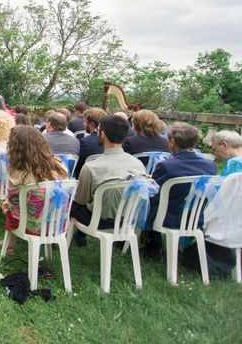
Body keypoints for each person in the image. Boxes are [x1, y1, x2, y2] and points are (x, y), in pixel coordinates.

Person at [142, 122, 217, 259]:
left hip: (169, 216)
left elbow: (153, 192)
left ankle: (153, 245)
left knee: (146, 200)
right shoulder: (210, 165)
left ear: (172, 142)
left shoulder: (166, 166)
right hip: (195, 216)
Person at [71, 115, 147, 246]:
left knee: (72, 204)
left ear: (103, 134)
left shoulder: (91, 167)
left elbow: (81, 200)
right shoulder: (138, 164)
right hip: (128, 218)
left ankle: (73, 238)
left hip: (99, 219)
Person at [0, 125, 68, 254]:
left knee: (9, 202)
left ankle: (10, 244)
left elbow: (14, 200)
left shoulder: (17, 172)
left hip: (31, 223)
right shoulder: (60, 164)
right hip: (55, 220)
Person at [73, 107, 107, 178]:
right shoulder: (112, 139)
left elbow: (77, 168)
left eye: (85, 121)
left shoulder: (85, 142)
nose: (84, 124)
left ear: (91, 123)